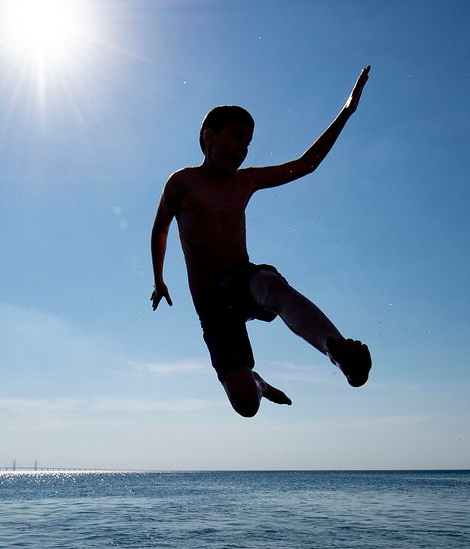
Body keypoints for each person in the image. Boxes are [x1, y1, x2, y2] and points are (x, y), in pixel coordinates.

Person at [150, 66, 373, 418]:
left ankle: (336, 349)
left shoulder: (246, 181)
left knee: (272, 287)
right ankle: (258, 384)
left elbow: (307, 164)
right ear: (209, 136)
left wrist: (346, 112)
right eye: (236, 137)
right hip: (210, 301)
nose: (243, 149)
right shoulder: (182, 183)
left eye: (248, 142)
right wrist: (159, 278)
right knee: (245, 405)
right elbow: (160, 227)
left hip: (244, 280)